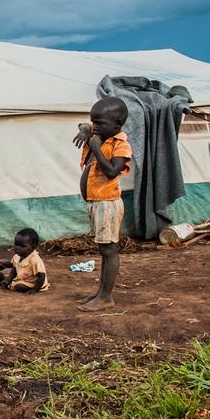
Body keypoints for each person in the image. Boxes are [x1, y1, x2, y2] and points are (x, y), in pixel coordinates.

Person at [73, 97, 132, 312]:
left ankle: (106, 297)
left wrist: (96, 149)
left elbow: (111, 172)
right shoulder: (98, 133)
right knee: (103, 249)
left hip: (107, 204)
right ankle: (101, 293)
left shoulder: (120, 145)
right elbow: (84, 126)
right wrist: (84, 130)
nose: (94, 126)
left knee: (109, 251)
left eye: (99, 123)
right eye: (93, 122)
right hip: (96, 203)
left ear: (117, 124)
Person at [2, 228, 49, 293]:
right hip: (23, 280)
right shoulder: (17, 257)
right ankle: (10, 284)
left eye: (22, 246)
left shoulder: (35, 260)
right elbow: (14, 270)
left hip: (33, 283)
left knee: (20, 287)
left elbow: (41, 276)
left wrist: (35, 289)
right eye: (16, 244)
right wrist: (8, 280)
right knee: (8, 282)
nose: (18, 248)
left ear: (34, 246)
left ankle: (27, 287)